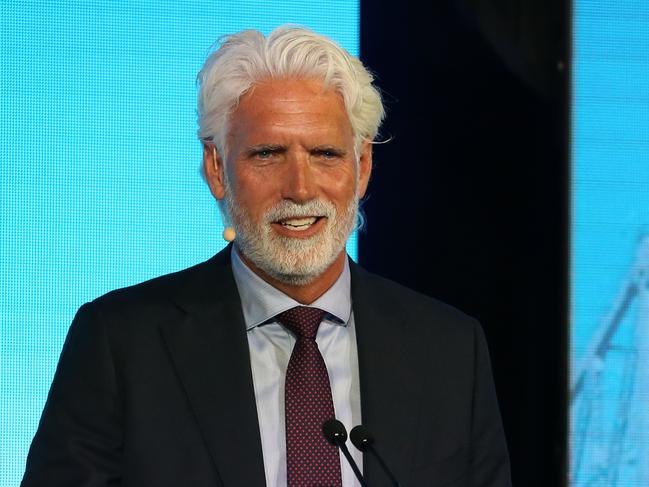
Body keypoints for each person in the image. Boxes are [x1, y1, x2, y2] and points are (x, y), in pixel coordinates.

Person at [21, 26, 512, 487]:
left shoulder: (450, 348)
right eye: (268, 154)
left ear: (362, 168)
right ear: (217, 169)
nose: (300, 188)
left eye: (325, 154)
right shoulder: (120, 343)